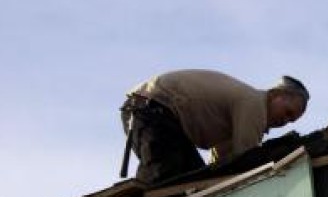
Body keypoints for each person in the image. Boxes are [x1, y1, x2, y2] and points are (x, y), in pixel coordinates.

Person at [120, 69, 310, 184]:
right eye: (287, 112)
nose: (285, 121)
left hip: (157, 114)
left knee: (193, 182)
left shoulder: (238, 117)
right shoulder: (254, 104)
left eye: (291, 121)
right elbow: (247, 160)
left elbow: (221, 165)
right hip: (152, 109)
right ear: (276, 95)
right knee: (165, 181)